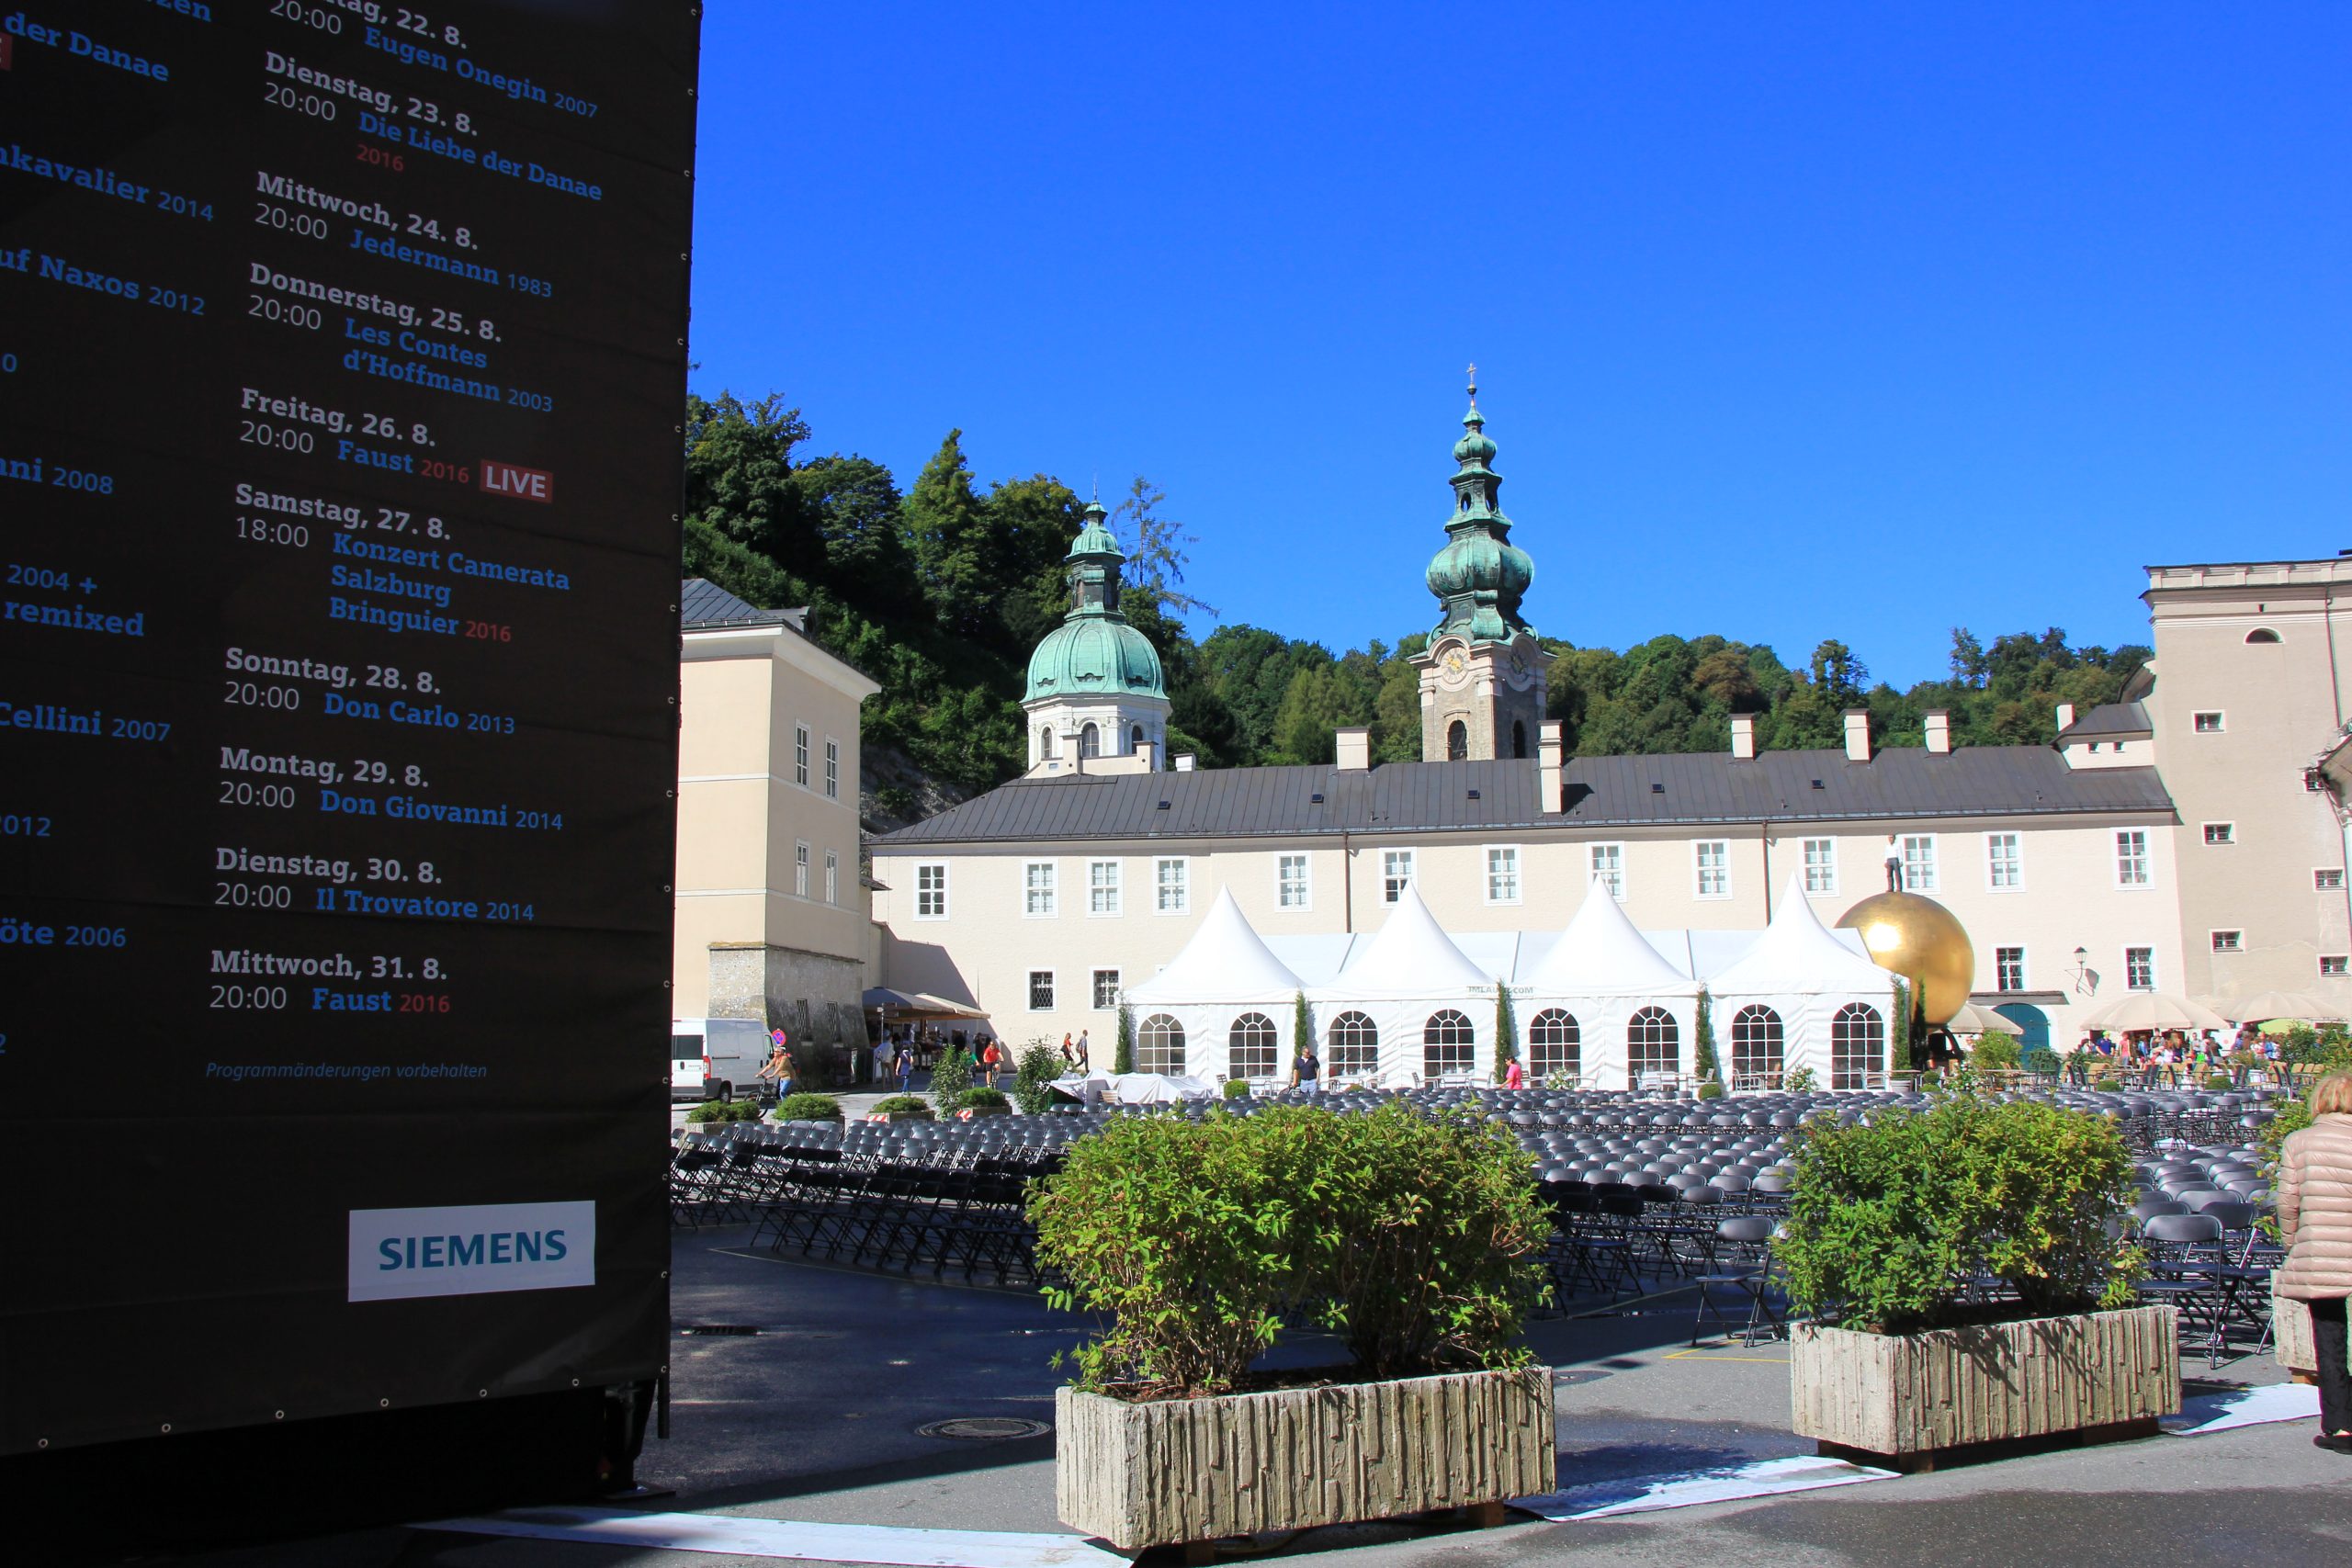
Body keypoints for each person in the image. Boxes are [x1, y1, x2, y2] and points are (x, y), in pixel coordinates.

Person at [2276, 1069, 2352, 1453]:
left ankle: (2340, 1426)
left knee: (2330, 1338)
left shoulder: (2299, 1142)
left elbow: (2287, 1202)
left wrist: (2295, 1244)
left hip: (2321, 1249)